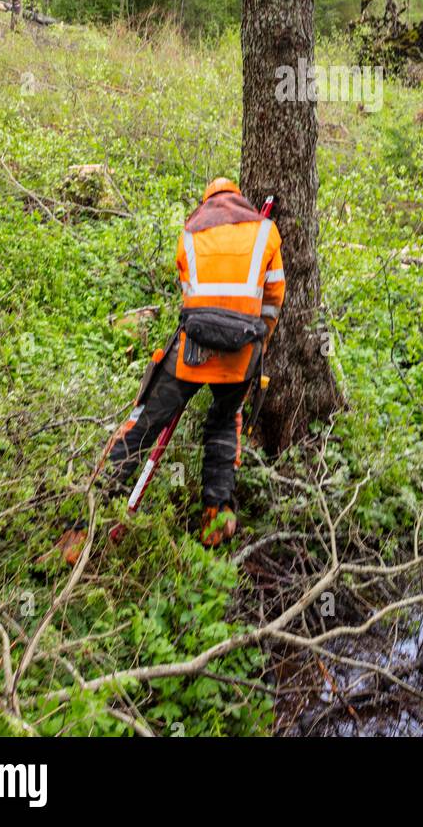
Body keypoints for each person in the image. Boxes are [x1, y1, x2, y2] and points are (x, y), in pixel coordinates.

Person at [62, 178, 284, 559]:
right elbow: (274, 296)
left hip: (191, 352)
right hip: (241, 354)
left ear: (208, 203)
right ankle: (217, 518)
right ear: (239, 201)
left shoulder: (190, 231)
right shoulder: (267, 231)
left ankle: (83, 522)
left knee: (144, 423)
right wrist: (257, 342)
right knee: (223, 422)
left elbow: (188, 291)